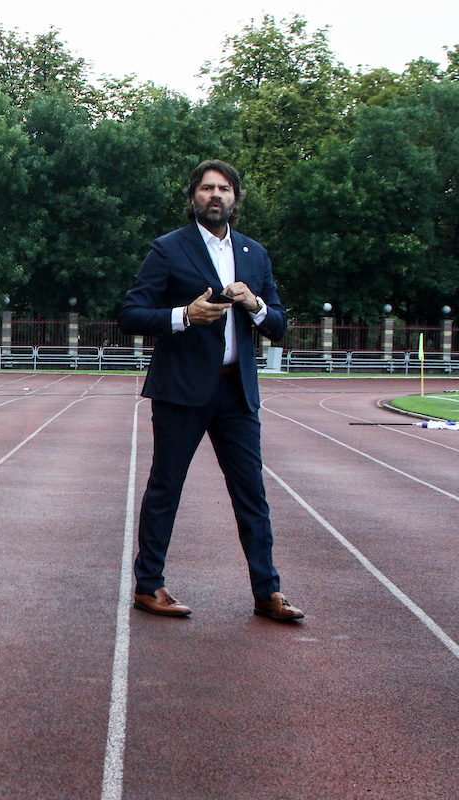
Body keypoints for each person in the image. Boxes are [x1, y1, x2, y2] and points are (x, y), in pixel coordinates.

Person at [119, 159, 304, 622]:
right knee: (166, 488)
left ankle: (267, 591)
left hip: (236, 392)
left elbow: (279, 325)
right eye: (206, 188)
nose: (215, 195)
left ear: (235, 198)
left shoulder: (254, 254)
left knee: (251, 494)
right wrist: (184, 316)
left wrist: (255, 305)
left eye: (224, 188)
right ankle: (149, 586)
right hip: (181, 391)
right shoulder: (167, 249)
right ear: (193, 197)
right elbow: (130, 314)